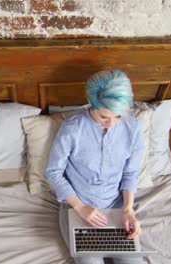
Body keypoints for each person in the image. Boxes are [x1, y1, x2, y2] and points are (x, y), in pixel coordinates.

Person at [46, 69, 144, 264]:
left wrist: (127, 209)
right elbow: (53, 172)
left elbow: (131, 173)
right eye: (103, 117)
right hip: (76, 205)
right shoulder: (72, 128)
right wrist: (80, 207)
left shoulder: (133, 128)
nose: (111, 124)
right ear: (92, 104)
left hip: (116, 206)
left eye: (118, 116)